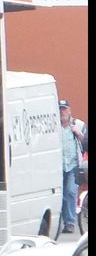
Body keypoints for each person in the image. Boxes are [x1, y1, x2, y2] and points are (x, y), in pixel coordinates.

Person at [58, 100, 87, 233]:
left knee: (70, 191)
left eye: (65, 109)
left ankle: (70, 222)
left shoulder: (78, 124)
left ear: (69, 110)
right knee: (61, 194)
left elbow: (86, 143)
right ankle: (63, 221)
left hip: (73, 164)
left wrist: (78, 133)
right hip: (58, 165)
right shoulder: (53, 125)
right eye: (60, 109)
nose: (62, 112)